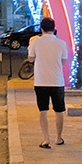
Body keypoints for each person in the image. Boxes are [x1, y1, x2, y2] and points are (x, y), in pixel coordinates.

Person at [27, 17, 68, 149]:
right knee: (59, 110)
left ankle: (46, 139)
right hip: (57, 81)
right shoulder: (61, 43)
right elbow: (63, 61)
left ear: (42, 28)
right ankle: (58, 138)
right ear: (54, 28)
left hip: (41, 81)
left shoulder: (36, 43)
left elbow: (31, 59)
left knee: (43, 110)